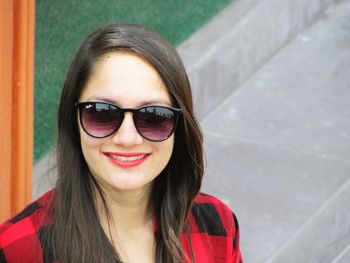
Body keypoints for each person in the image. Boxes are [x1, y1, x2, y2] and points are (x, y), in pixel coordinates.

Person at [0, 23, 243, 263]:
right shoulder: (17, 249)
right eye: (102, 113)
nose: (127, 138)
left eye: (154, 116)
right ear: (72, 121)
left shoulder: (218, 225)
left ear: (179, 127)